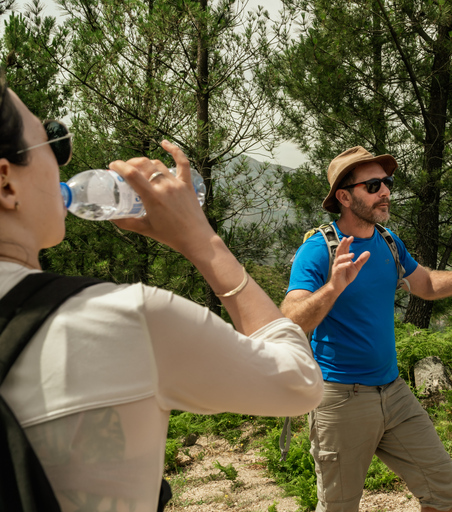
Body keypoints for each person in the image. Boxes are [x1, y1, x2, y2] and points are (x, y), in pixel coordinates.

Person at [0, 71, 324, 511]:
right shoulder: (126, 318)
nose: (64, 160)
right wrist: (203, 242)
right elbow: (299, 383)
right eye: (52, 142)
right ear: (7, 182)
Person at [281, 145, 452, 512]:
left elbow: (426, 285)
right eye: (373, 185)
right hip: (341, 398)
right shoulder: (319, 249)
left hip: (394, 392)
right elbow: (290, 319)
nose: (385, 191)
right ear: (344, 197)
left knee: (442, 490)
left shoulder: (388, 242)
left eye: (387, 182)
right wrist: (333, 287)